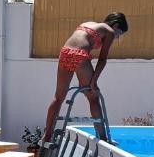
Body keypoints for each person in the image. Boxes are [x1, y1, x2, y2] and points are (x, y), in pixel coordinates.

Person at [45, 12, 129, 142]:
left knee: (58, 98)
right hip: (80, 55)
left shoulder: (90, 24)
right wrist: (93, 82)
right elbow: (102, 60)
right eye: (119, 34)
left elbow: (78, 43)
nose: (117, 37)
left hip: (65, 52)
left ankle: (47, 135)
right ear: (116, 25)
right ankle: (103, 138)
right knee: (93, 96)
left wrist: (83, 79)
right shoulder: (109, 31)